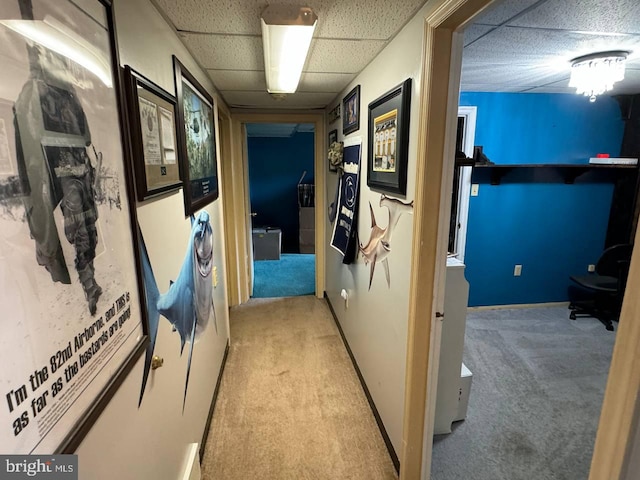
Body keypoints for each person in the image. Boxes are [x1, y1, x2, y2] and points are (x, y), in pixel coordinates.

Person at [14, 45, 102, 315]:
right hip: (64, 177)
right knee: (80, 231)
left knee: (88, 229)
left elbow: (84, 137)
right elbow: (30, 147)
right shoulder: (33, 94)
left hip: (78, 173)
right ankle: (89, 285)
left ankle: (90, 281)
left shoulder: (65, 94)